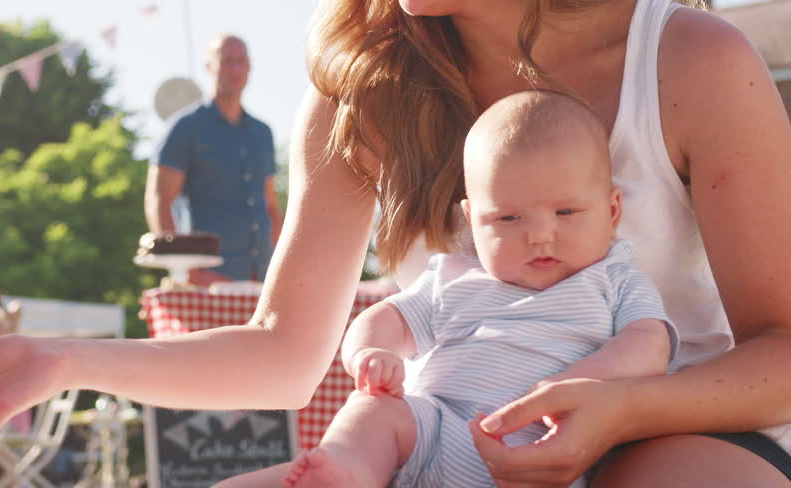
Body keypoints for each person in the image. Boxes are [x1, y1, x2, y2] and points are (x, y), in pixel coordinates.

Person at [0, 0, 791, 486]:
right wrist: (62, 361)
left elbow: (783, 351)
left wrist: (624, 405)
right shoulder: (362, 95)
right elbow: (285, 352)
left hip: (675, 439)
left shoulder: (691, 60)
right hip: (451, 452)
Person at [281, 91, 673, 488]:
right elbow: (385, 318)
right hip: (431, 431)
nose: (538, 234)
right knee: (376, 411)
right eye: (508, 217)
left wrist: (583, 379)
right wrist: (371, 352)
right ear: (472, 221)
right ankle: (348, 471)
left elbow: (649, 343)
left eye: (565, 212)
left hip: (540, 449)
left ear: (611, 211)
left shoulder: (613, 278)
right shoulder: (453, 277)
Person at [144, 34, 284, 283]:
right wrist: (185, 271)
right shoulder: (185, 128)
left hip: (261, 277)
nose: (235, 69)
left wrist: (282, 266)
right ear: (209, 66)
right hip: (208, 277)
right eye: (227, 61)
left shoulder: (262, 133)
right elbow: (159, 199)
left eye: (241, 61)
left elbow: (270, 205)